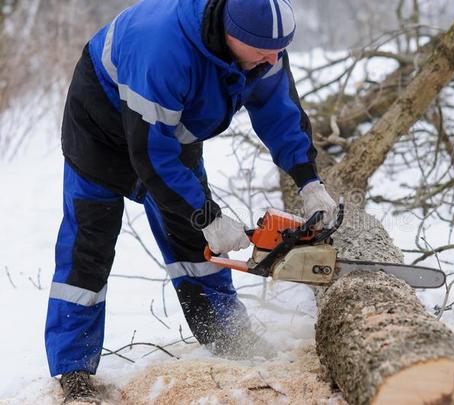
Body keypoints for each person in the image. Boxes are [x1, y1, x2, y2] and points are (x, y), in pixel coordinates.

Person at [45, 0, 337, 403]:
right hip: (101, 130)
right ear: (234, 36)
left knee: (195, 245)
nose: (275, 58)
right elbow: (150, 154)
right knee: (88, 248)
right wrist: (208, 214)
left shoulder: (262, 47)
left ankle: (228, 337)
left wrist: (309, 182)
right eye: (265, 51)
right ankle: (72, 367)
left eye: (280, 48)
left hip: (170, 131)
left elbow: (280, 112)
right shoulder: (164, 50)